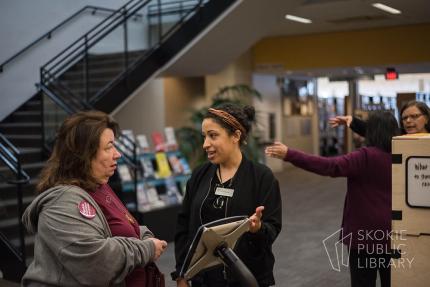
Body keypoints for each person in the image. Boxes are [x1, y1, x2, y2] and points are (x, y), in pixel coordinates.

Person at [22, 111, 167, 286]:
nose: (117, 154)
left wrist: (145, 236)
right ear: (83, 154)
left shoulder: (99, 186)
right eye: (108, 147)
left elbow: (126, 224)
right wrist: (147, 248)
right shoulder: (61, 202)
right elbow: (96, 263)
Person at [266, 110, 400, 287]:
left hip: (363, 235)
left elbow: (329, 166)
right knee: (393, 281)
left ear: (371, 131)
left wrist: (290, 154)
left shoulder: (364, 156)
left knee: (363, 282)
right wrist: (352, 122)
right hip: (394, 232)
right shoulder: (401, 155)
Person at [173, 103, 282, 287]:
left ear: (236, 136)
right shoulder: (200, 175)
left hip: (245, 279)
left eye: (213, 135)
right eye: (204, 136)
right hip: (203, 280)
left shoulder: (262, 177)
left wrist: (258, 228)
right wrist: (181, 274)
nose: (205, 144)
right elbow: (184, 227)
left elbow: (272, 228)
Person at [329, 100, 430, 135]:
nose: (408, 120)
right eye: (404, 118)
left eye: (414, 116)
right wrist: (352, 121)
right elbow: (376, 131)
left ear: (426, 118)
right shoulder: (399, 136)